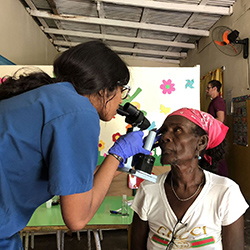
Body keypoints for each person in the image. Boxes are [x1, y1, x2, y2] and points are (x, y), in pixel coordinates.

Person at [0, 41, 150, 250]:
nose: (120, 102)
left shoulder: (52, 97)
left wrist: (119, 164)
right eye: (122, 91)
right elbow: (77, 219)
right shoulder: (79, 112)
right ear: (106, 88)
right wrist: (116, 155)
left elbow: (74, 179)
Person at [130, 108, 249, 250]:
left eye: (177, 130)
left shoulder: (225, 192)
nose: (165, 137)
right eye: (164, 131)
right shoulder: (149, 189)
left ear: (201, 142)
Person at [206, 79, 228, 176]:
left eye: (208, 88)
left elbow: (220, 119)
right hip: (214, 135)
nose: (207, 90)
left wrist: (207, 125)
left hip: (217, 136)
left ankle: (223, 178)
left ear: (215, 89)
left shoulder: (218, 101)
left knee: (218, 159)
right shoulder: (213, 101)